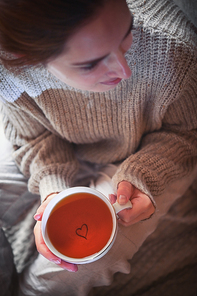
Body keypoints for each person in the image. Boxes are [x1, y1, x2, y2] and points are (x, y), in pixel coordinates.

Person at [0, 0, 196, 295]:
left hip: (149, 155)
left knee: (73, 269)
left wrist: (145, 174)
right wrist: (53, 191)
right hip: (59, 150)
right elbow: (33, 138)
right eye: (91, 63)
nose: (124, 70)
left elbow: (187, 132)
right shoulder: (9, 71)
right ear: (27, 58)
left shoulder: (174, 49)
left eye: (127, 33)